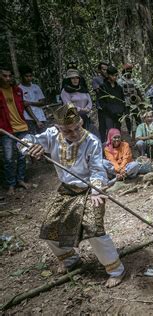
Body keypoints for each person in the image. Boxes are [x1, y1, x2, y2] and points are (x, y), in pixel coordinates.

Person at [21, 104, 125, 287]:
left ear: (81, 122)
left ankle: (116, 269)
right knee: (49, 227)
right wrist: (30, 147)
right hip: (67, 190)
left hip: (90, 189)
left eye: (77, 127)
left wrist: (96, 191)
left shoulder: (91, 141)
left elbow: (97, 170)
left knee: (94, 229)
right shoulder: (51, 135)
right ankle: (69, 259)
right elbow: (24, 140)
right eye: (67, 131)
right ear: (58, 128)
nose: (75, 133)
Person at [0, 65, 41, 195]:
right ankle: (11, 184)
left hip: (22, 127)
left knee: (23, 155)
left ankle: (21, 180)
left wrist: (33, 120)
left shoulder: (17, 90)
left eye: (9, 76)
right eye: (4, 76)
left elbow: (23, 107)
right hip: (6, 130)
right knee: (8, 158)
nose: (8, 78)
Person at [97, 66, 126, 140]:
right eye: (113, 75)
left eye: (116, 75)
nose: (115, 77)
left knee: (117, 132)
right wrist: (110, 111)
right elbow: (102, 102)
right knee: (110, 132)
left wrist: (121, 110)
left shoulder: (119, 87)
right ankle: (110, 149)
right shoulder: (103, 87)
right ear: (108, 75)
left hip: (118, 114)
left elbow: (122, 100)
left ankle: (118, 150)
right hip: (108, 114)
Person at [18, 65, 47, 134]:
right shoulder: (19, 89)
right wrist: (36, 120)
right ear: (22, 76)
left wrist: (30, 103)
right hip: (28, 118)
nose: (29, 78)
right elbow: (26, 106)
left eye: (30, 76)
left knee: (44, 137)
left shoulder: (36, 87)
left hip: (41, 116)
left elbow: (43, 102)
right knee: (32, 139)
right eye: (26, 76)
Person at [118, 63, 142, 136]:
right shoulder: (120, 81)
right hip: (125, 102)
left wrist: (142, 101)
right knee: (128, 118)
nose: (129, 72)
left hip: (134, 102)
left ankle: (140, 132)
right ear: (124, 71)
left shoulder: (134, 80)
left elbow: (138, 90)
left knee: (137, 117)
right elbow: (119, 92)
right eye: (128, 70)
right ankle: (130, 133)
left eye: (131, 71)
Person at [92, 62, 108, 142]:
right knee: (102, 126)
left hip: (111, 106)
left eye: (106, 69)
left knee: (111, 126)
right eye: (103, 69)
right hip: (101, 106)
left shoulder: (110, 79)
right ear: (99, 70)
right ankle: (102, 143)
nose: (105, 71)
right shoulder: (96, 79)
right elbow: (98, 91)